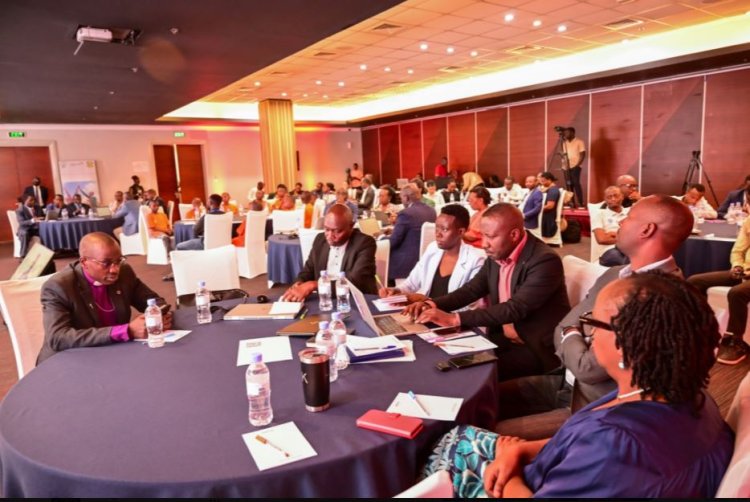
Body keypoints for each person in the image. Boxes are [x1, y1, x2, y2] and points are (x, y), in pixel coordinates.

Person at [422, 272, 733, 498]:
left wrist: (511, 476)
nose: (589, 335)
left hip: (525, 486)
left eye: (593, 324)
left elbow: (601, 451)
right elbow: (579, 445)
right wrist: (522, 450)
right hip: (546, 470)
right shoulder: (685, 394)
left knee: (436, 452)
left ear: (626, 345)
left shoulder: (617, 445)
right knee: (453, 435)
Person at [492, 195, 692, 438]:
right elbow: (563, 327)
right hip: (566, 382)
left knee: (497, 434)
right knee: (484, 398)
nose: (620, 223)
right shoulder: (615, 273)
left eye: (628, 217)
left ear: (647, 230)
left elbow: (588, 368)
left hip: (597, 408)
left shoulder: (662, 297)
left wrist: (573, 334)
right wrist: (577, 336)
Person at [404, 203, 568, 380]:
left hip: (533, 347)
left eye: (490, 236)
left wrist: (454, 318)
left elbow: (515, 308)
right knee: (444, 359)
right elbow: (471, 290)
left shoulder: (544, 260)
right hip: (502, 337)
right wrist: (432, 304)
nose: (484, 244)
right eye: (482, 235)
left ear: (514, 235)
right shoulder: (498, 252)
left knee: (467, 375)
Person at [38, 232, 172, 364]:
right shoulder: (59, 286)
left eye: (118, 261)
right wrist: (127, 331)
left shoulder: (124, 272)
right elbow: (58, 338)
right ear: (84, 262)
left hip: (113, 353)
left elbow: (153, 301)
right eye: (106, 263)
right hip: (70, 360)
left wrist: (158, 316)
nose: (115, 269)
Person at [379, 205, 484, 305]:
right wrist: (396, 290)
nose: (438, 234)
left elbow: (471, 306)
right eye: (436, 228)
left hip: (448, 316)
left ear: (461, 232)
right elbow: (411, 283)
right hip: (424, 312)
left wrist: (427, 301)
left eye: (444, 229)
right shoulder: (433, 249)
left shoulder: (475, 260)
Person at [281, 204, 377, 301]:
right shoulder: (320, 239)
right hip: (324, 300)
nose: (330, 236)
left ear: (351, 226)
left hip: (355, 300)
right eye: (326, 229)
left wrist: (314, 285)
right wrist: (300, 282)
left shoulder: (365, 243)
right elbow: (308, 270)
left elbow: (355, 282)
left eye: (337, 231)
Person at [689, 214, 750, 364]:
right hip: (745, 269)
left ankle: (736, 342)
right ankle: (701, 330)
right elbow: (738, 250)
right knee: (695, 281)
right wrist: (737, 266)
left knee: (737, 293)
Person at [381, 184, 436, 281]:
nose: (401, 201)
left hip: (406, 263)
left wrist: (381, 237)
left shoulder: (406, 213)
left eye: (401, 198)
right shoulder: (432, 211)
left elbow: (393, 241)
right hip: (426, 260)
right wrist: (394, 230)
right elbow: (416, 231)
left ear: (406, 198)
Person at [591, 185, 629, 254]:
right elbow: (601, 239)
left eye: (616, 196)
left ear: (622, 197)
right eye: (609, 197)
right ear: (605, 199)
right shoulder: (599, 215)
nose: (613, 199)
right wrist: (628, 239)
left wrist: (613, 235)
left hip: (630, 248)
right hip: (610, 251)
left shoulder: (630, 212)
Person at [562, 127, 586, 207]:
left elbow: (583, 154)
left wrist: (578, 165)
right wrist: (564, 165)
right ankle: (572, 203)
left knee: (576, 183)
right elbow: (564, 155)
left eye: (567, 132)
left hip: (575, 166)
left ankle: (580, 203)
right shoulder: (564, 143)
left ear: (572, 133)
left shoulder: (579, 142)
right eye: (565, 133)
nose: (565, 134)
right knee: (569, 185)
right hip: (566, 167)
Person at [538, 172, 561, 238]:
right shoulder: (549, 189)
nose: (542, 183)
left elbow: (550, 206)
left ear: (549, 180)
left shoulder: (553, 190)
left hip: (547, 217)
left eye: (543, 181)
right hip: (545, 214)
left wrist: (536, 210)